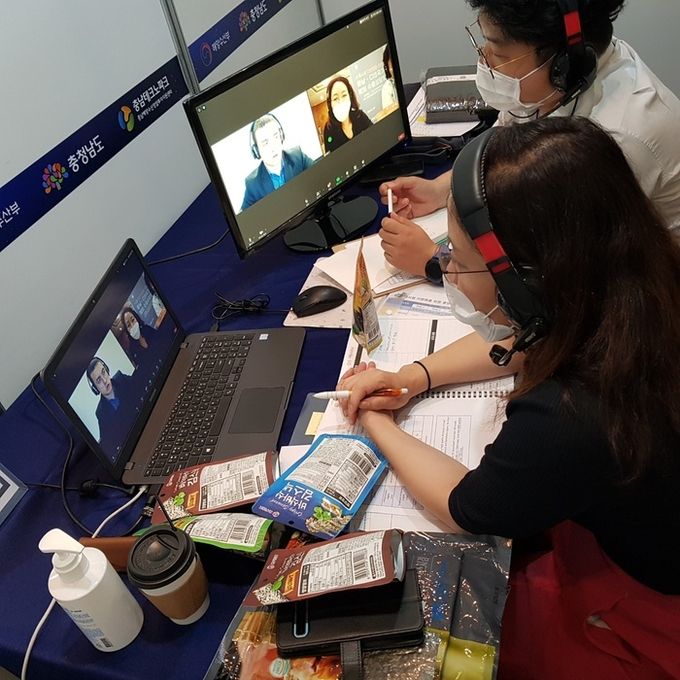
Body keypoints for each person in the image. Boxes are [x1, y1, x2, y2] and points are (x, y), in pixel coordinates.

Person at [340, 118, 680, 678]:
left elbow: (468, 507)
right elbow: (530, 339)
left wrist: (378, 424)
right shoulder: (635, 278)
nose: (448, 270)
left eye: (456, 257)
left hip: (651, 599)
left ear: (526, 280)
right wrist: (414, 377)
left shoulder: (568, 417)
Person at [379, 0, 680, 280]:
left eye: (499, 54)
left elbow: (553, 278)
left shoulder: (619, 139)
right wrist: (440, 189)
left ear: (564, 64)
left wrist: (437, 261)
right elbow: (504, 142)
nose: (484, 58)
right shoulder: (564, 78)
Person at [241, 113, 314, 210]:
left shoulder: (298, 157)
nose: (273, 147)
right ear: (257, 150)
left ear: (281, 136)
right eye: (265, 143)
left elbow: (320, 175)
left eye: (275, 137)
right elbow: (245, 216)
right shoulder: (253, 184)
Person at [86, 358, 137, 454]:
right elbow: (108, 444)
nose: (105, 380)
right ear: (95, 389)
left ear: (107, 370)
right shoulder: (101, 413)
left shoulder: (122, 379)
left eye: (103, 372)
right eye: (99, 380)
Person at [323, 77, 373, 153]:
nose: (341, 101)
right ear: (330, 104)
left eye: (344, 95)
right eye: (335, 98)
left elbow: (374, 135)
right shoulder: (328, 129)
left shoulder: (360, 115)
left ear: (350, 96)